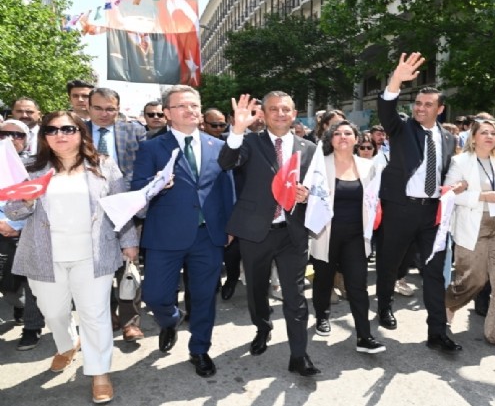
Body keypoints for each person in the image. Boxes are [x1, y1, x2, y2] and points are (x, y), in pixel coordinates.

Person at [6, 110, 138, 403]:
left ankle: (99, 372)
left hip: (94, 254)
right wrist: (26, 201)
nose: (60, 135)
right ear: (44, 136)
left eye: (67, 129)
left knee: (95, 314)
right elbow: (13, 210)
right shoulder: (30, 168)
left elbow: (120, 207)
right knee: (54, 312)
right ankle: (67, 344)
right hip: (44, 254)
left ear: (80, 132)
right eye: (51, 130)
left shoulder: (103, 165)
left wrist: (129, 241)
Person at [132, 85, 234, 378]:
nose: (190, 110)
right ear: (167, 113)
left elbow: (227, 188)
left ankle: (199, 349)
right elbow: (137, 188)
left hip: (208, 235)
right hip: (165, 235)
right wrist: (154, 185)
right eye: (181, 106)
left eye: (194, 105)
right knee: (154, 295)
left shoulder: (218, 146)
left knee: (204, 297)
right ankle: (170, 320)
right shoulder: (152, 147)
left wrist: (230, 226)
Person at [219, 91, 320, 376]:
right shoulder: (249, 142)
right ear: (263, 114)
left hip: (292, 233)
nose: (280, 114)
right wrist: (237, 130)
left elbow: (317, 186)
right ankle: (262, 327)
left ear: (294, 113)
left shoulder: (309, 148)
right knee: (256, 289)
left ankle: (299, 354)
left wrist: (307, 194)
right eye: (273, 109)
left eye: (285, 109)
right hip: (255, 232)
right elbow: (226, 162)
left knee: (295, 295)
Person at [374, 52, 462, 353]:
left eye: (428, 104)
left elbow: (448, 172)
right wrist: (396, 80)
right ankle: (384, 307)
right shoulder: (401, 128)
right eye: (418, 103)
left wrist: (456, 186)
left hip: (432, 215)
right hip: (400, 208)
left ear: (440, 109)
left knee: (434, 272)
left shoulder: (449, 139)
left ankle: (437, 332)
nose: (421, 108)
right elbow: (386, 108)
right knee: (389, 263)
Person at [309, 120, 386, 353]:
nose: (343, 136)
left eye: (348, 133)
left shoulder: (368, 166)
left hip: (356, 236)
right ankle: (322, 316)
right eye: (338, 133)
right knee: (323, 279)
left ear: (356, 139)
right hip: (325, 233)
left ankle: (364, 336)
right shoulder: (319, 164)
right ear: (330, 139)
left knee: (357, 285)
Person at [444, 118, 495, 350]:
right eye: (484, 133)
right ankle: (448, 304)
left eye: (493, 133)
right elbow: (450, 194)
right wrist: (481, 196)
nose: (489, 137)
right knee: (474, 278)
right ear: (473, 137)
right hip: (473, 225)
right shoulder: (460, 161)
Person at [86, 87, 147, 342]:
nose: (104, 114)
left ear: (118, 109)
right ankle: (108, 314)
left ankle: (130, 322)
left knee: (128, 265)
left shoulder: (134, 131)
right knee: (98, 267)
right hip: (90, 212)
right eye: (98, 108)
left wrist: (132, 197)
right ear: (88, 108)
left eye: (110, 109)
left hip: (127, 208)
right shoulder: (76, 132)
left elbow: (144, 166)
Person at [0, 120, 46, 351]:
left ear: (27, 139)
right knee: (9, 287)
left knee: (31, 282)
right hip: (1, 229)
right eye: (4, 134)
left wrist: (17, 224)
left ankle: (32, 326)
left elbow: (39, 201)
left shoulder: (35, 166)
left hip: (27, 230)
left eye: (18, 135)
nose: (11, 139)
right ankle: (19, 305)